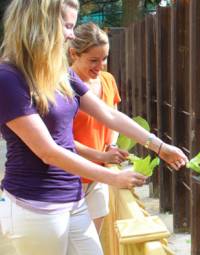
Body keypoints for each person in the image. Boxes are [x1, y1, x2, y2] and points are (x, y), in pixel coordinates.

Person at [0, 1, 188, 255]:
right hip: (36, 204)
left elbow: (108, 114)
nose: (70, 34)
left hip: (73, 198)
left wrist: (159, 146)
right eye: (67, 25)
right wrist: (113, 177)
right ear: (40, 24)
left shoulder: (59, 72)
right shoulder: (8, 77)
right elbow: (48, 151)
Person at [69, 22, 127, 234]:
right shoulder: (63, 85)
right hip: (69, 175)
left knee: (92, 242)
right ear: (74, 54)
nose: (101, 65)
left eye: (104, 58)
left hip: (100, 176)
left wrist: (111, 147)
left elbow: (113, 120)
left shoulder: (108, 80)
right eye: (93, 60)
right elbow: (59, 140)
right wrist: (99, 156)